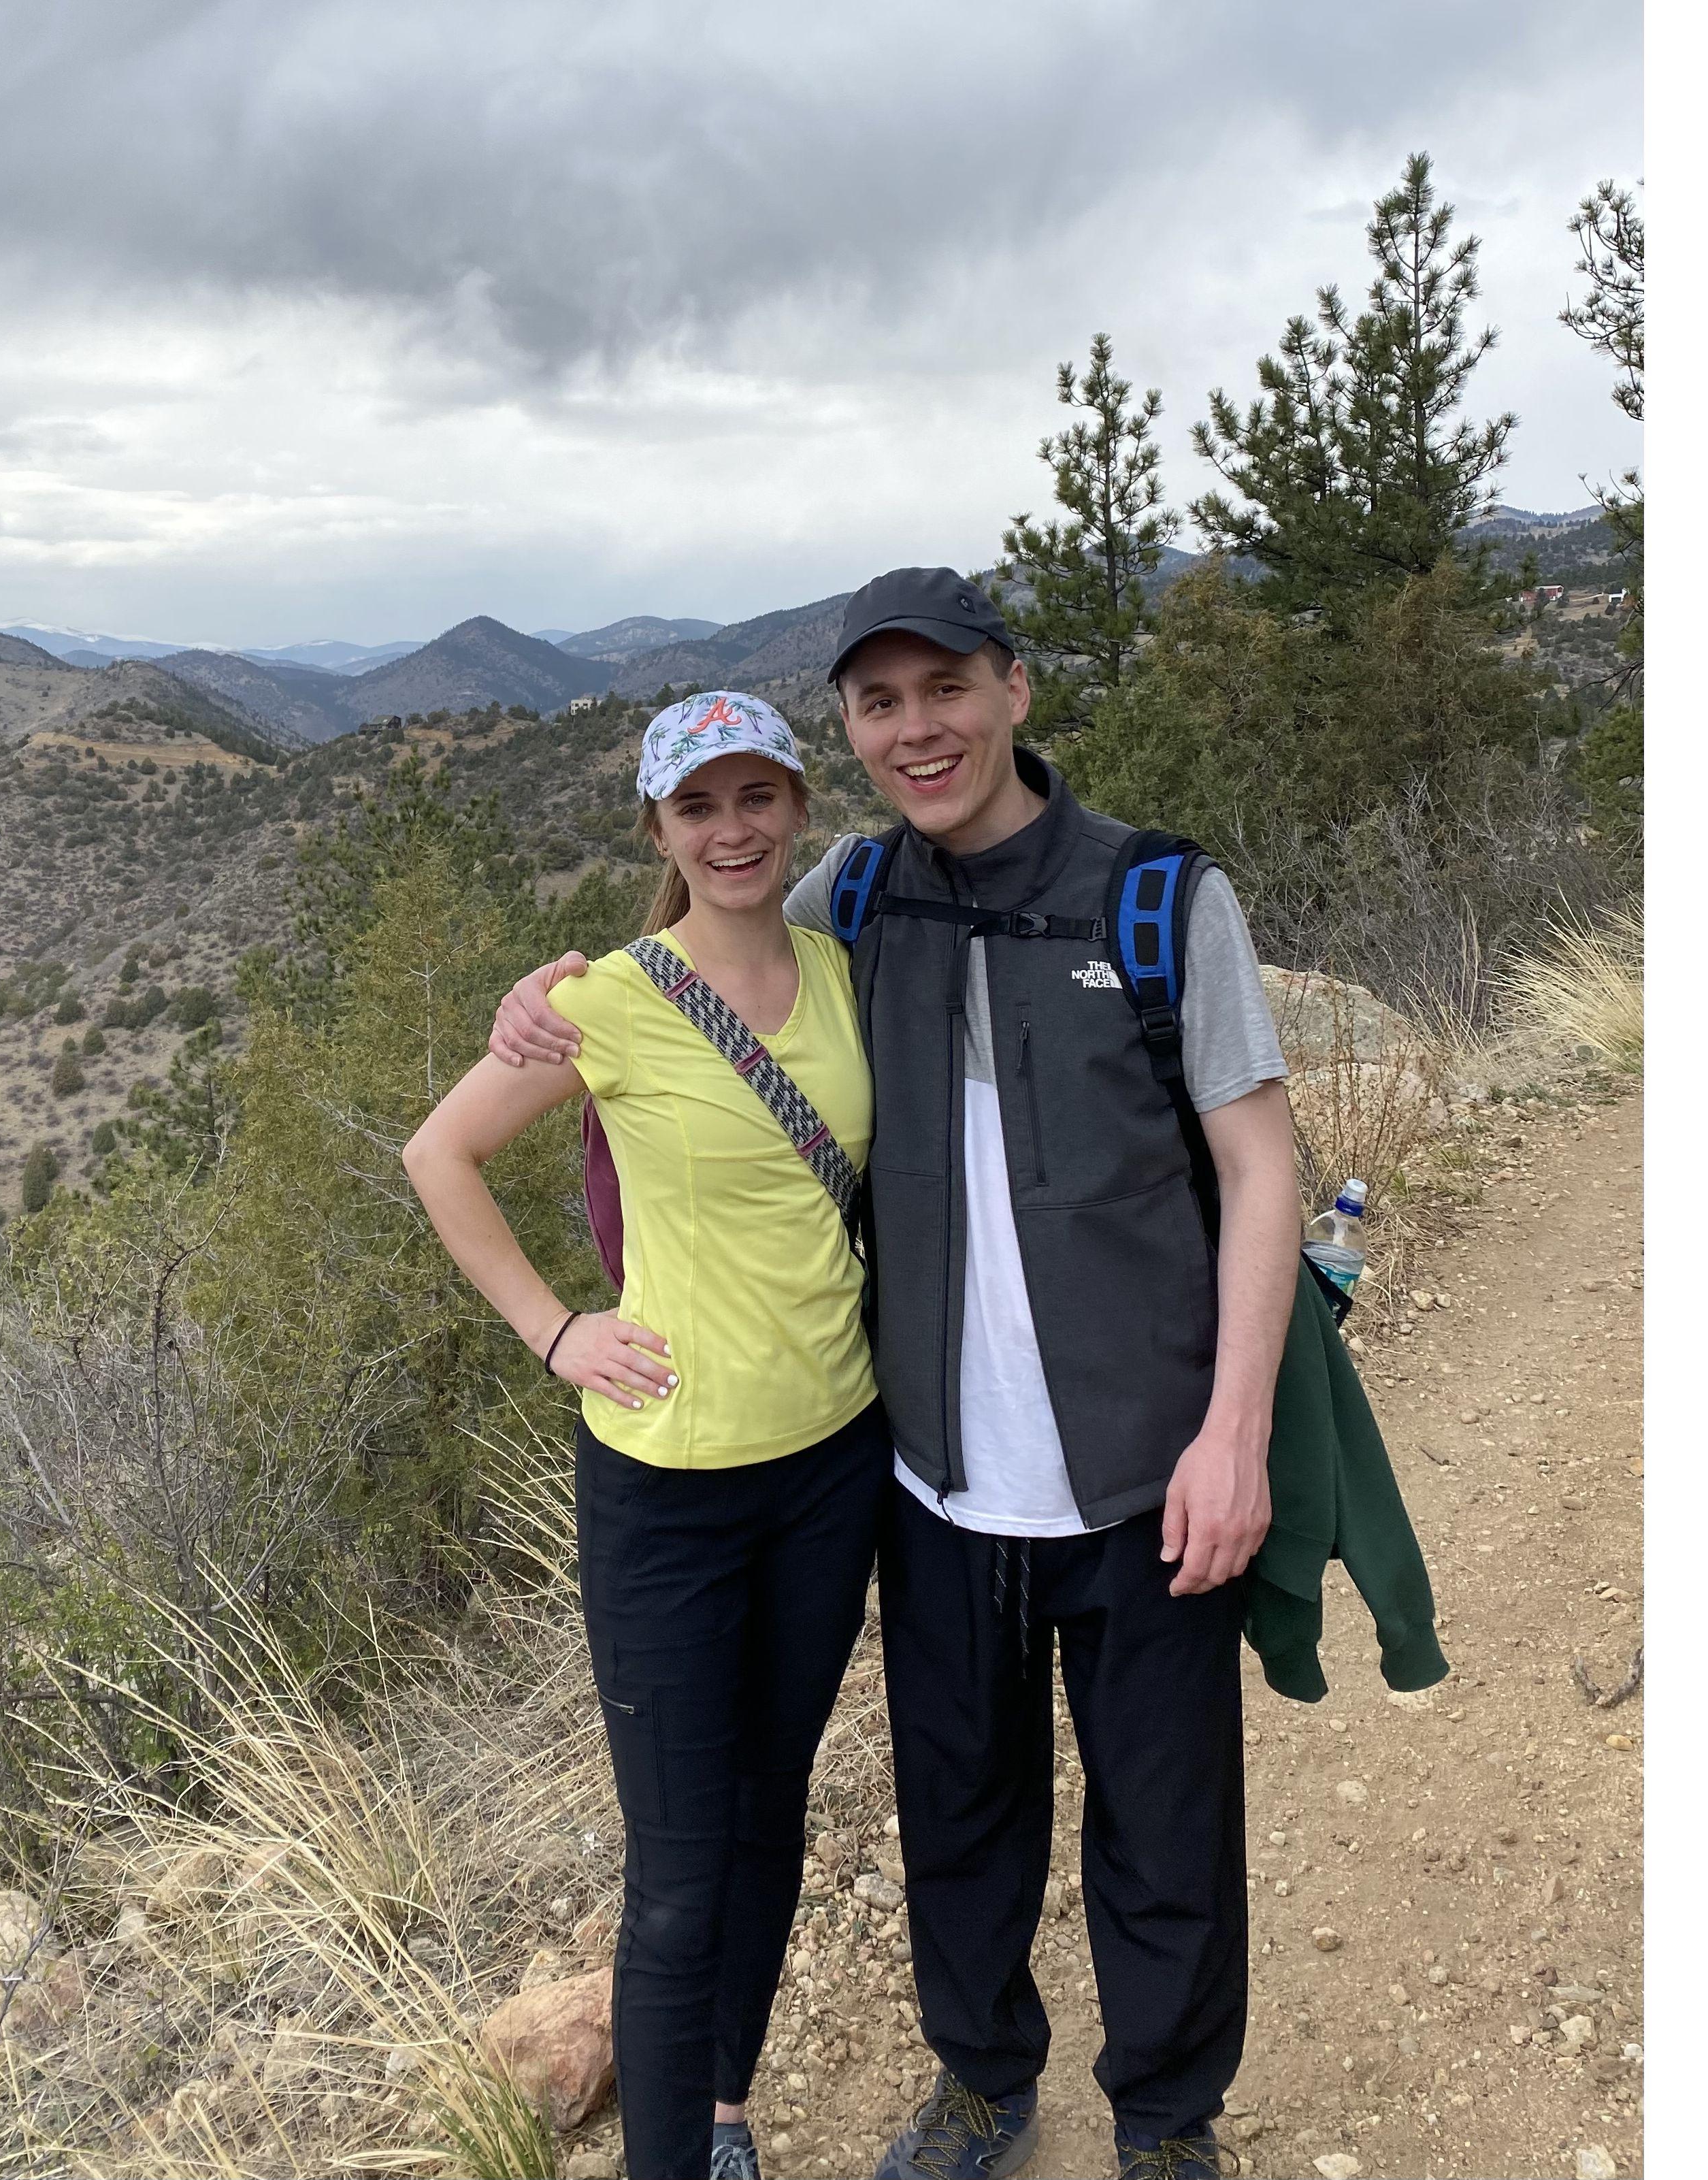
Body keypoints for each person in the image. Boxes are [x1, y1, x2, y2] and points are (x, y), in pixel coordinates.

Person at [489, 570, 1304, 2180]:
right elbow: (704, 965)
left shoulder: (1155, 898)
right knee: (960, 1818)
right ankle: (985, 2085)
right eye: (881, 702)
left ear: (1012, 690)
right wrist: (551, 994)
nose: (917, 727)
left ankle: (1167, 2122)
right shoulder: (856, 903)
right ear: (853, 731)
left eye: (946, 689)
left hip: (1144, 1463)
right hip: (927, 1477)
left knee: (1167, 1823)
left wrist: (1236, 1431)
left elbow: (1263, 1168)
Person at [404, 690, 891, 2180]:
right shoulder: (605, 997)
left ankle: (723, 2114)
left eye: (757, 798)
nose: (733, 830)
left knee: (774, 1815)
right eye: (700, 807)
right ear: (660, 830)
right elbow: (443, 1153)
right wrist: (559, 1332)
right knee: (680, 1875)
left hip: (833, 1463)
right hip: (669, 1490)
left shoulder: (845, 970)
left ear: (797, 807)